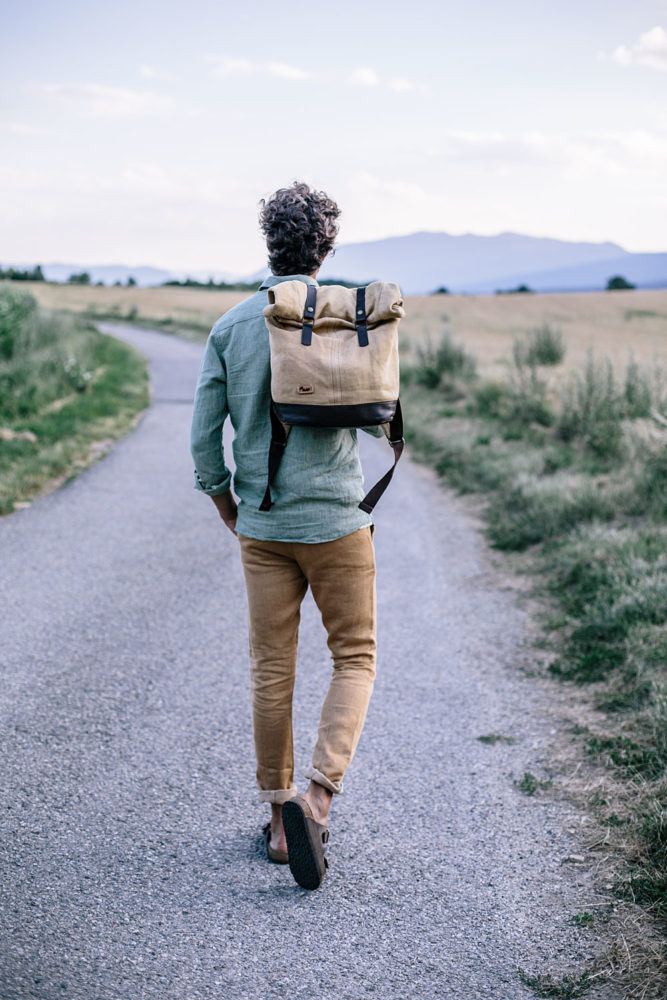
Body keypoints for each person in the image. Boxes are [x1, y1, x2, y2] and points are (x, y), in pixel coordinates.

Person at [189, 181, 384, 890]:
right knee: (354, 658)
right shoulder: (345, 320)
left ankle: (278, 823)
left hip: (264, 524)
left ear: (267, 241)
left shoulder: (232, 325)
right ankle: (318, 798)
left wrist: (226, 504)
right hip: (337, 520)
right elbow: (375, 416)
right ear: (325, 248)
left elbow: (203, 437)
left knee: (272, 667)